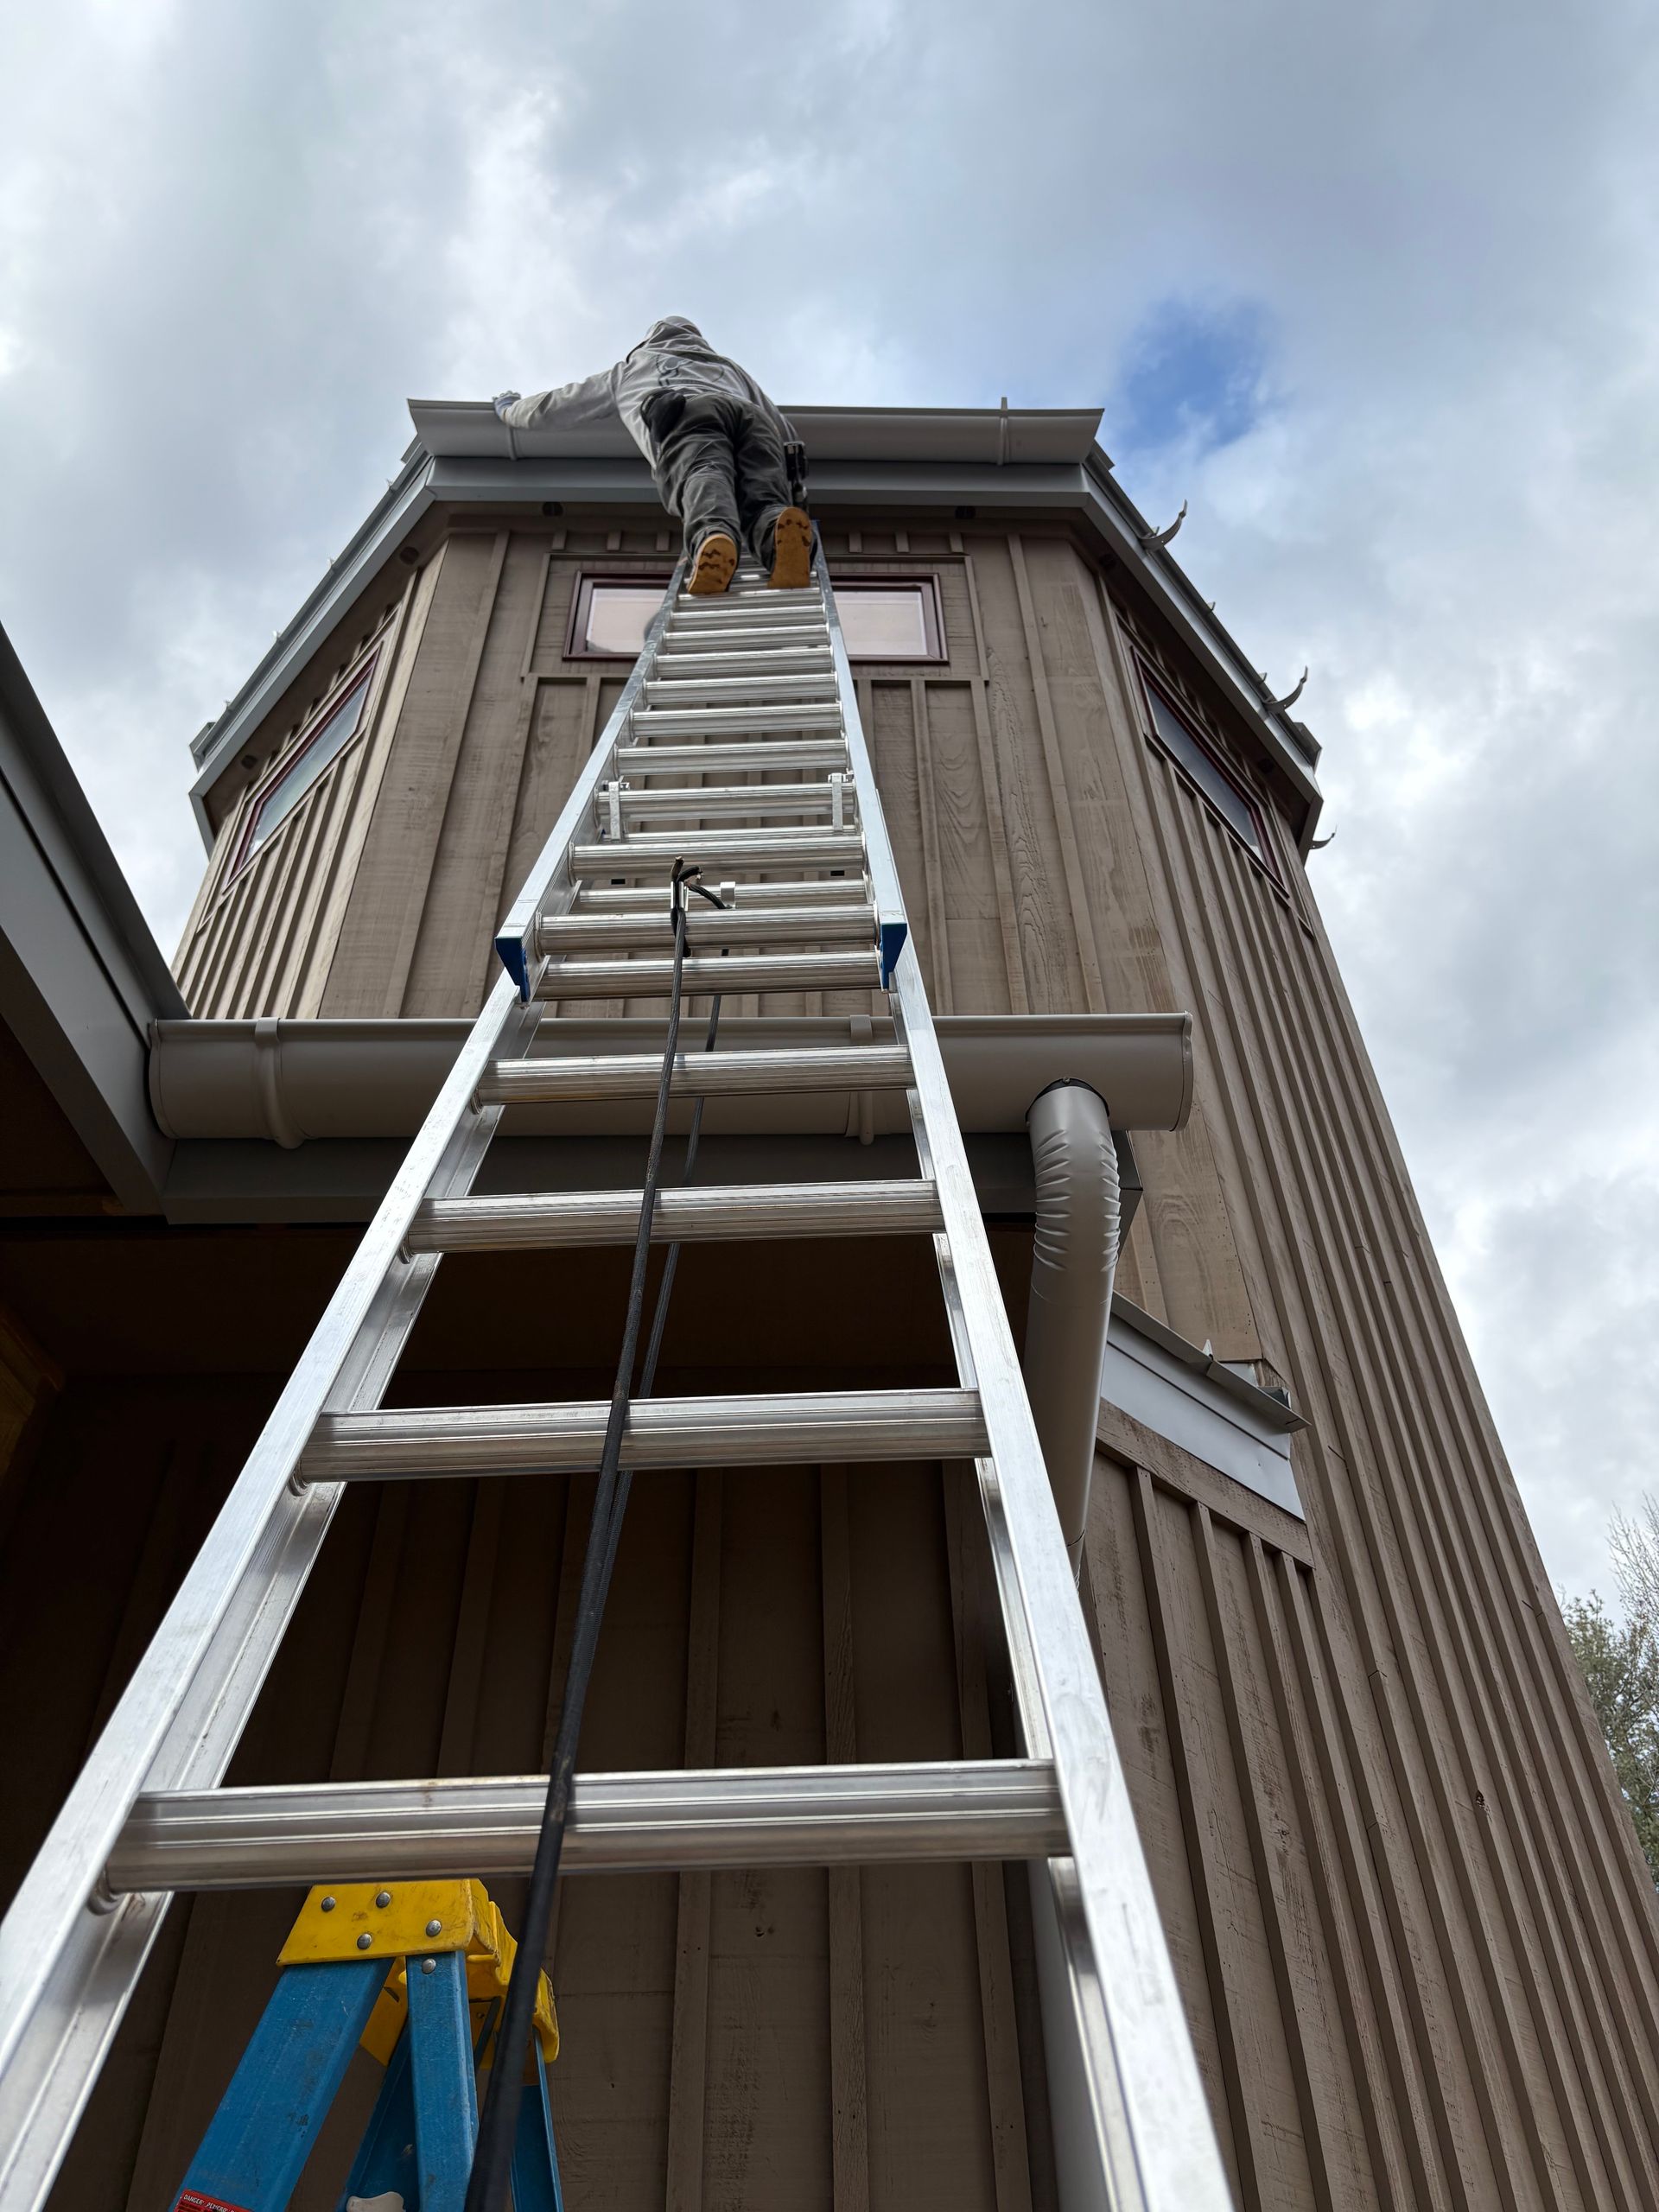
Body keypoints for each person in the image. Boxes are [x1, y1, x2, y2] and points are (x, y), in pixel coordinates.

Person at [493, 318, 810, 596]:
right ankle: (776, 535)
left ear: (647, 342)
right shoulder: (729, 367)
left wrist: (509, 408)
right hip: (754, 419)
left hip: (690, 410)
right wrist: (797, 489)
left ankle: (713, 535)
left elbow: (556, 406)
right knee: (764, 490)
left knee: (705, 471)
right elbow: (783, 430)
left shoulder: (631, 369)